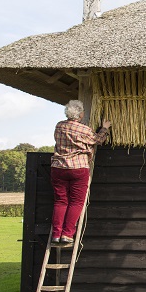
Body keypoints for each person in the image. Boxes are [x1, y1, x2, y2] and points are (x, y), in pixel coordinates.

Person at [50, 100, 111, 246]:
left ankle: (56, 233)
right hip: (78, 168)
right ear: (81, 114)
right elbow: (98, 140)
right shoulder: (83, 129)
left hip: (58, 167)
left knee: (60, 201)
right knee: (76, 202)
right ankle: (67, 234)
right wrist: (104, 128)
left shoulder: (59, 126)